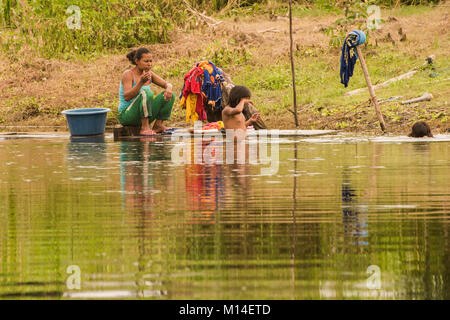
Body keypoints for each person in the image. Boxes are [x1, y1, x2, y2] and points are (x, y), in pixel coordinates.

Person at [118, 47, 175, 135]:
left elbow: (166, 84)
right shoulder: (128, 74)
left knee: (169, 94)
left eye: (150, 61)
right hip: (127, 115)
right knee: (147, 93)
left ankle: (158, 125)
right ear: (137, 61)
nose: (149, 64)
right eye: (146, 61)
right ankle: (145, 127)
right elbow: (127, 97)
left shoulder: (150, 74)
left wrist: (169, 87)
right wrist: (141, 82)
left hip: (144, 115)